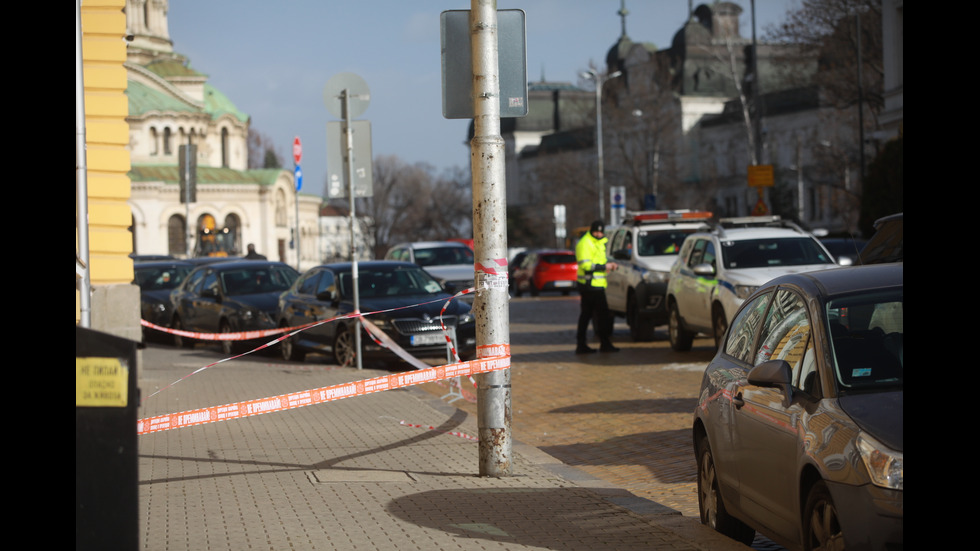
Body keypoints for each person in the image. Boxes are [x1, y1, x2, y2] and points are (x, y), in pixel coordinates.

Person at [575, 220, 619, 353]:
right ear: (592, 230)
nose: (599, 234)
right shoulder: (585, 243)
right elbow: (585, 265)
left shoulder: (599, 242)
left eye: (601, 232)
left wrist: (606, 266)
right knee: (592, 315)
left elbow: (599, 260)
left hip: (597, 285)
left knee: (597, 315)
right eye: (596, 231)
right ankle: (585, 345)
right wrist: (605, 267)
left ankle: (600, 343)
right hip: (589, 285)